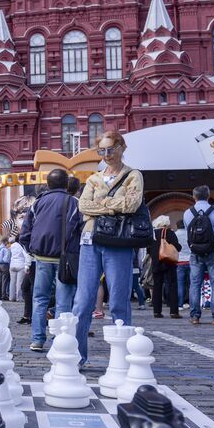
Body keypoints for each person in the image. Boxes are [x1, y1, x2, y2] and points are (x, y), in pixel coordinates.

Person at [71, 131, 143, 366]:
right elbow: (83, 206)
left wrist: (100, 205)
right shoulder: (93, 178)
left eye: (110, 149)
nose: (106, 155)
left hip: (118, 242)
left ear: (122, 147)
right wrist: (114, 207)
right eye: (101, 151)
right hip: (90, 240)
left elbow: (132, 204)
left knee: (119, 302)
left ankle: (122, 358)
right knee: (82, 302)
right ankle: (78, 356)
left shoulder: (133, 175)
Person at [19, 168, 81, 351]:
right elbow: (83, 231)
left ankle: (37, 339)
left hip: (41, 258)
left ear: (48, 184)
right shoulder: (74, 202)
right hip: (65, 259)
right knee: (63, 302)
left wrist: (32, 251)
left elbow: (24, 233)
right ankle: (59, 340)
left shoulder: (37, 203)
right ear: (65, 184)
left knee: (39, 300)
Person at [183, 185, 214, 326]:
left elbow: (188, 232)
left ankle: (195, 316)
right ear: (208, 196)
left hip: (195, 252)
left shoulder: (187, 213)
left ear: (194, 196)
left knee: (195, 284)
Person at [149, 215, 181, 319]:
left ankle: (157, 311)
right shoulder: (169, 233)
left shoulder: (152, 233)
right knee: (172, 285)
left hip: (156, 263)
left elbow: (148, 249)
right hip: (168, 262)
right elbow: (177, 246)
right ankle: (173, 311)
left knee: (157, 286)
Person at [174, 219, 191, 309]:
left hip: (180, 261)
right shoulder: (189, 233)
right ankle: (192, 303)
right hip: (190, 260)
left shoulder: (175, 234)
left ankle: (180, 304)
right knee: (192, 284)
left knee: (180, 283)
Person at [9, 237, 27, 301]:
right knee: (19, 283)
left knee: (12, 282)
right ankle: (19, 298)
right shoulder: (22, 246)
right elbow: (25, 255)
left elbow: (9, 254)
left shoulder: (12, 245)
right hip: (21, 264)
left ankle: (11, 297)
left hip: (12, 264)